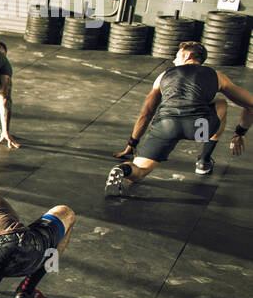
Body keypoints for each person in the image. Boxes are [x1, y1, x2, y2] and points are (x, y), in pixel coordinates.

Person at [106, 40, 253, 194]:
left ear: (188, 55)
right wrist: (240, 133)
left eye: (177, 56)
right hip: (199, 130)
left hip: (166, 127)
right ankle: (204, 161)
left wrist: (132, 143)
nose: (174, 60)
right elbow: (250, 105)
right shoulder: (216, 76)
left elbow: (146, 114)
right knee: (221, 102)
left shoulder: (163, 76)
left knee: (139, 172)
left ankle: (123, 170)